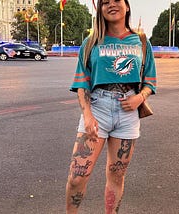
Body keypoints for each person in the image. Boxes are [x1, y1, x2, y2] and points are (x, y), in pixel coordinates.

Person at [66, 0, 157, 213]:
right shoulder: (91, 42)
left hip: (128, 112)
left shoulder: (141, 42)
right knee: (77, 176)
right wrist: (87, 115)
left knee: (116, 175)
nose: (111, 4)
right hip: (97, 108)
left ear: (127, 6)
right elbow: (82, 84)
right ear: (100, 10)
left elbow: (150, 81)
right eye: (105, 2)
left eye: (116, 0)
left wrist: (140, 97)